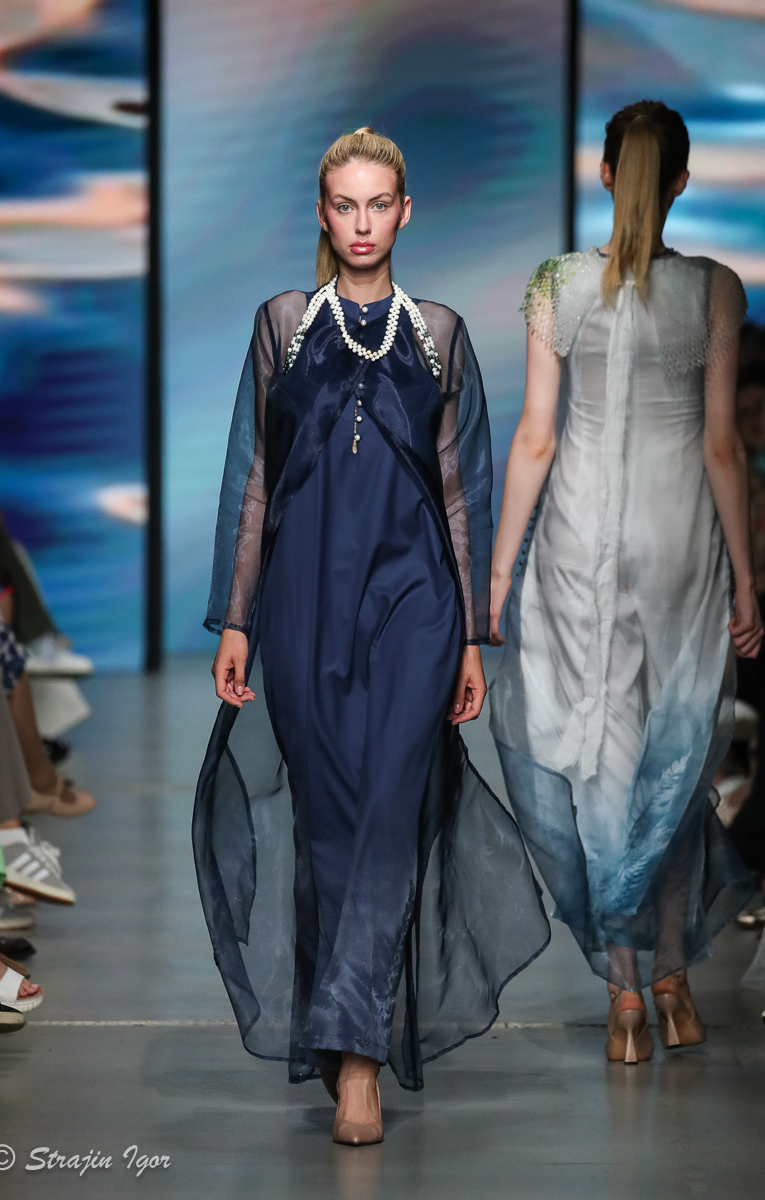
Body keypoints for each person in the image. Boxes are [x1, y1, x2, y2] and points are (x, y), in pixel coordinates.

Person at [194, 127, 549, 1145]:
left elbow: (461, 493)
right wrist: (236, 619)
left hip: (415, 607)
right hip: (302, 606)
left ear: (404, 212)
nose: (361, 223)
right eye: (344, 205)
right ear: (323, 213)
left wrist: (471, 636)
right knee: (329, 823)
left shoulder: (438, 332)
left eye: (378, 204)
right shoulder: (281, 324)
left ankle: (356, 1063)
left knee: (389, 810)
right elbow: (253, 480)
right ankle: (344, 1029)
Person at [489, 99, 762, 1064]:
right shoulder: (716, 290)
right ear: (681, 180)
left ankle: (624, 997)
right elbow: (723, 446)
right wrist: (747, 579)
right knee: (673, 767)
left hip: (576, 538)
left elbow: (535, 436)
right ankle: (675, 979)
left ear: (604, 173)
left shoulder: (554, 285)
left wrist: (496, 571)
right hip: (679, 534)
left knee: (601, 766)